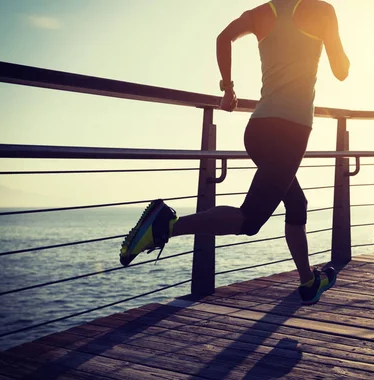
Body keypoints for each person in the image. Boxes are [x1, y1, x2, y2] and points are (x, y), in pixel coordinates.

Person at [120, 0, 350, 306]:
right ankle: (166, 225)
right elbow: (342, 70)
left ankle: (308, 282)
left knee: (297, 203)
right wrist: (330, 36)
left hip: (257, 130)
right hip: (290, 133)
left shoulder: (259, 14)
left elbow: (223, 37)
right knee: (250, 220)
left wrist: (228, 89)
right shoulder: (320, 10)